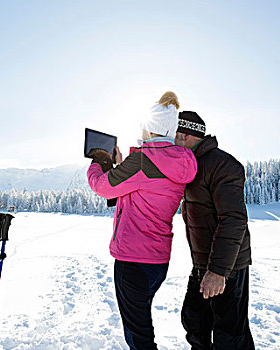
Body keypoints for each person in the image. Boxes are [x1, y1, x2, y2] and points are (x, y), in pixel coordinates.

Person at [87, 92, 197, 350]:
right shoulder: (180, 162)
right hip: (157, 260)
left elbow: (102, 186)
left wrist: (98, 162)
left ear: (149, 128)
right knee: (141, 326)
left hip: (132, 260)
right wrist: (122, 166)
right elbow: (144, 188)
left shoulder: (141, 161)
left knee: (138, 335)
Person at [175, 111, 254, 350]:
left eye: (174, 137)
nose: (172, 143)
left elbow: (234, 219)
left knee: (229, 335)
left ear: (184, 135)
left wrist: (218, 271)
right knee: (195, 321)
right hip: (203, 261)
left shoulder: (223, 165)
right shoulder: (189, 166)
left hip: (226, 265)